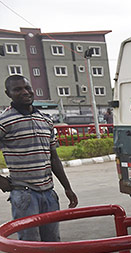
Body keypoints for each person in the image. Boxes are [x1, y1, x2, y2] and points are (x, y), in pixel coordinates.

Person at [0, 75, 78, 241]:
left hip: (49, 194)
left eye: (27, 88)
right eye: (18, 89)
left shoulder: (45, 120)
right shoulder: (4, 121)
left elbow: (54, 158)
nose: (25, 92)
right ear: (8, 94)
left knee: (53, 244)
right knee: (30, 247)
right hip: (24, 195)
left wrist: (67, 188)